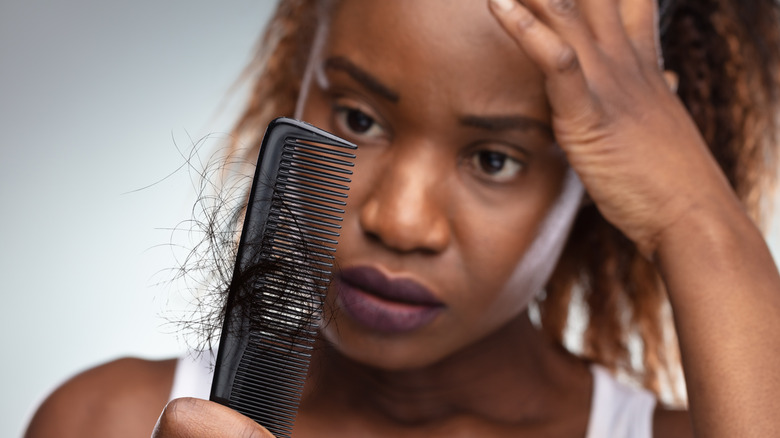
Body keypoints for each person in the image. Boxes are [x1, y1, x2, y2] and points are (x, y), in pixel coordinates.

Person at [24, 0, 780, 436]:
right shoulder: (106, 420)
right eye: (356, 115)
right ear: (298, 83)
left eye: (495, 159)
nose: (398, 219)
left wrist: (692, 215)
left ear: (611, 172)